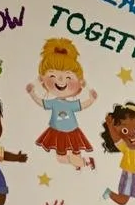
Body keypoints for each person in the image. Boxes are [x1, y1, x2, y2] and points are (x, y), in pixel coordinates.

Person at [26, 38, 96, 169]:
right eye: (52, 76)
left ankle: (83, 162)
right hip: (57, 132)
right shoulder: (53, 102)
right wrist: (32, 93)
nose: (60, 80)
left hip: (72, 131)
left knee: (68, 156)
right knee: (61, 158)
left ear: (79, 83)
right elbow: (41, 103)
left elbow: (82, 105)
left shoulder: (70, 105)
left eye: (68, 77)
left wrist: (91, 99)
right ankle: (83, 162)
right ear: (43, 79)